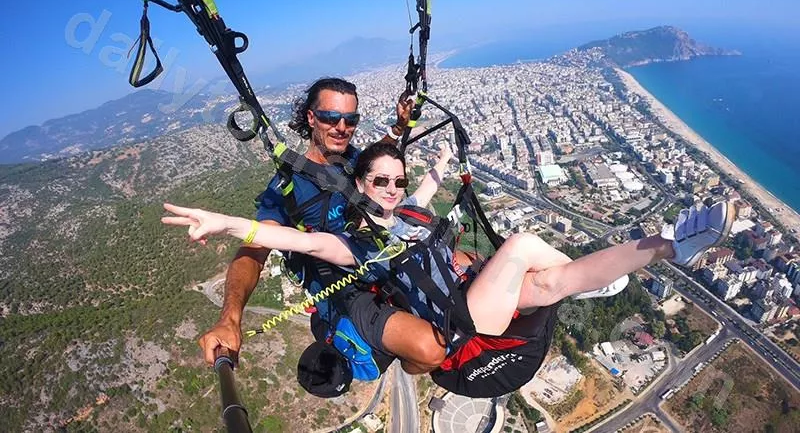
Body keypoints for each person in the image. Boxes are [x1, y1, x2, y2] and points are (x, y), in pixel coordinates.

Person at [165, 142, 736, 379]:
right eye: (377, 180)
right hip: (460, 321)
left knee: (551, 275)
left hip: (477, 304)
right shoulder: (355, 243)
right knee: (520, 248)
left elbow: (428, 189)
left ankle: (664, 250)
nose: (390, 188)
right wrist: (227, 224)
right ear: (358, 184)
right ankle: (663, 249)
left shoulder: (410, 211)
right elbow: (297, 241)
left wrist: (439, 162)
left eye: (396, 180)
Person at [196, 77, 414, 367]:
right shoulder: (289, 188)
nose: (341, 127)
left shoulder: (352, 159)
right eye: (330, 117)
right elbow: (254, 251)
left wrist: (399, 128)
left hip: (382, 261)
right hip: (345, 292)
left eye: (350, 119)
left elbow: (376, 157)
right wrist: (230, 318)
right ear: (311, 118)